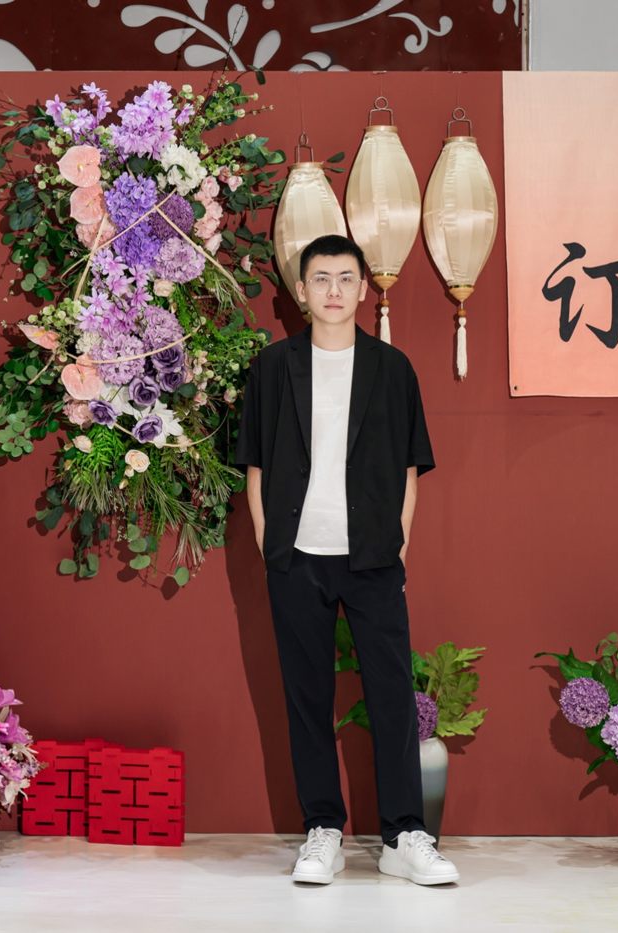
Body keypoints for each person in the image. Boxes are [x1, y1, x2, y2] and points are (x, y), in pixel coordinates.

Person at [235, 234, 458, 886]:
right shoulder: (273, 368)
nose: (333, 290)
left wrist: (398, 542)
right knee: (306, 698)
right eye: (320, 278)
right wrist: (268, 542)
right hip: (297, 556)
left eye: (345, 278)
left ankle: (405, 836)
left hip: (372, 557)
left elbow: (411, 466)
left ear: (364, 289)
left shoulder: (392, 368)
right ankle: (322, 832)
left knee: (392, 696)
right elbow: (255, 465)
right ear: (301, 290)